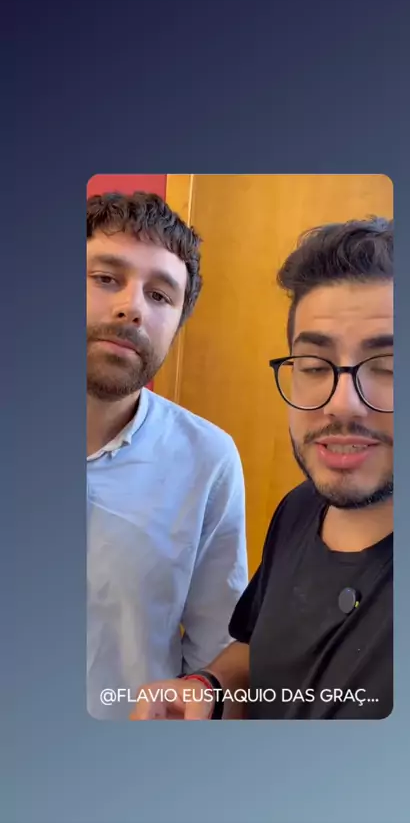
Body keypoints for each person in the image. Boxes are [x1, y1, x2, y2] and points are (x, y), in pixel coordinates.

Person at [130, 217, 394, 720]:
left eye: (389, 366)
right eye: (313, 366)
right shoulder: (301, 508)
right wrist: (209, 685)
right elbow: (257, 649)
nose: (341, 403)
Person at [86, 191, 248, 719]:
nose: (132, 306)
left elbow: (216, 652)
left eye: (160, 295)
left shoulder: (207, 459)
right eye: (105, 278)